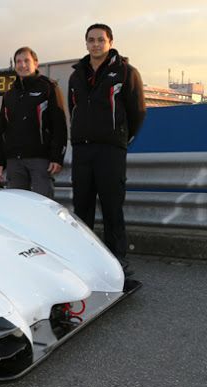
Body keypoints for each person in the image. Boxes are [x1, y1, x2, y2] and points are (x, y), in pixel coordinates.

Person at [68, 23, 146, 276]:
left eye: (101, 40)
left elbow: (138, 112)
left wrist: (120, 136)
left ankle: (117, 261)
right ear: (86, 43)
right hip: (82, 151)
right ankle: (86, 259)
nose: (96, 44)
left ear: (110, 42)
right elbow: (74, 109)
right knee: (82, 207)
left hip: (110, 151)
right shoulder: (76, 75)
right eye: (91, 40)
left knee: (112, 207)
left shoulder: (126, 72)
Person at [0, 47, 67, 199]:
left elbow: (59, 125)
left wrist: (56, 157)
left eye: (26, 60)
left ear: (36, 63)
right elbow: (1, 128)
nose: (22, 65)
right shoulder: (9, 94)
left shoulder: (48, 88)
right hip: (14, 161)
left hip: (40, 160)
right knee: (18, 207)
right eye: (18, 62)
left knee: (44, 206)